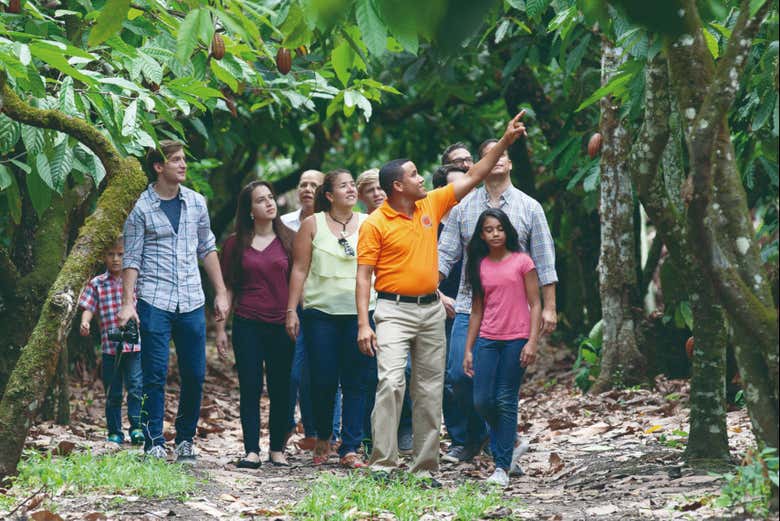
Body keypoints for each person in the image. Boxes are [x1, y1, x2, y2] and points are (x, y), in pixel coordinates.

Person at [356, 112, 527, 480]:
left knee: (430, 388)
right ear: (398, 186)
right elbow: (363, 274)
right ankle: (384, 462)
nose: (422, 178)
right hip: (392, 310)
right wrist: (362, 324)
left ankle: (424, 466)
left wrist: (505, 141)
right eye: (415, 174)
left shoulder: (431, 205)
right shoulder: (375, 223)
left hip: (431, 311)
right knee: (391, 381)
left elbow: (476, 174)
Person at [438, 138, 558, 464]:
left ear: (510, 162)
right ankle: (476, 438)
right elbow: (443, 256)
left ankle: (501, 443)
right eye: (493, 155)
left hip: (515, 310)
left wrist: (548, 306)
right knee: (460, 378)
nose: (500, 159)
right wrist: (431, 288)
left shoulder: (529, 207)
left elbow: (545, 261)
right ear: (485, 162)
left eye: (505, 154)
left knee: (504, 387)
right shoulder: (462, 208)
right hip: (469, 304)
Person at [119, 140, 229, 463]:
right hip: (155, 299)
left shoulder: (196, 203)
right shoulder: (141, 208)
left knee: (195, 373)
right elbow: (132, 258)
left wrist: (220, 291)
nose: (183, 165)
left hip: (192, 300)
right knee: (154, 373)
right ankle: (153, 439)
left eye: (184, 160)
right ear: (158, 166)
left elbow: (207, 248)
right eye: (176, 160)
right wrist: (128, 303)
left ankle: (185, 439)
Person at [286, 169, 373, 469]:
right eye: (343, 186)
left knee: (356, 381)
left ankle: (350, 446)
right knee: (322, 379)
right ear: (329, 194)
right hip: (319, 313)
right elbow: (299, 269)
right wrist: (291, 311)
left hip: (360, 312)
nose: (351, 190)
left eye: (353, 185)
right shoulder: (312, 224)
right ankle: (324, 434)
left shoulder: (368, 223)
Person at [216, 181, 296, 468]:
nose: (269, 203)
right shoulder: (235, 244)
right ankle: (251, 450)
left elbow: (298, 282)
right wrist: (221, 329)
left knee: (281, 388)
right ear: (250, 210)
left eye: (271, 198)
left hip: (282, 324)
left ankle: (277, 449)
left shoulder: (290, 239)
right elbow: (228, 288)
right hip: (247, 322)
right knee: (250, 387)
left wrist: (294, 313)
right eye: (261, 200)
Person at [462, 208, 540, 487]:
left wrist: (532, 341)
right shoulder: (479, 264)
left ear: (507, 231)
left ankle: (501, 467)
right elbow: (476, 311)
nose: (494, 234)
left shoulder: (522, 261)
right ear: (481, 235)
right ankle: (513, 441)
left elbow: (536, 303)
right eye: (488, 230)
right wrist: (469, 348)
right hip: (488, 338)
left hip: (517, 338)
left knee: (505, 398)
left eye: (499, 229)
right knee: (482, 400)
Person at [280, 170, 340, 450]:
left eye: (313, 184)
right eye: (302, 184)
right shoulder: (284, 223)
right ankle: (295, 426)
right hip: (292, 307)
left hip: (325, 308)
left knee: (325, 372)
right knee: (295, 373)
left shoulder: (337, 223)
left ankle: (325, 432)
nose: (306, 188)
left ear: (324, 191)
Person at [78, 236, 144, 446]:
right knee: (113, 390)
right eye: (111, 254)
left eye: (121, 254)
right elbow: (89, 306)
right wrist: (85, 322)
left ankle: (136, 427)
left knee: (135, 387)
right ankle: (114, 431)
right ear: (103, 256)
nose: (116, 259)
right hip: (109, 347)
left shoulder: (135, 281)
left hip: (133, 346)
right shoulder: (97, 283)